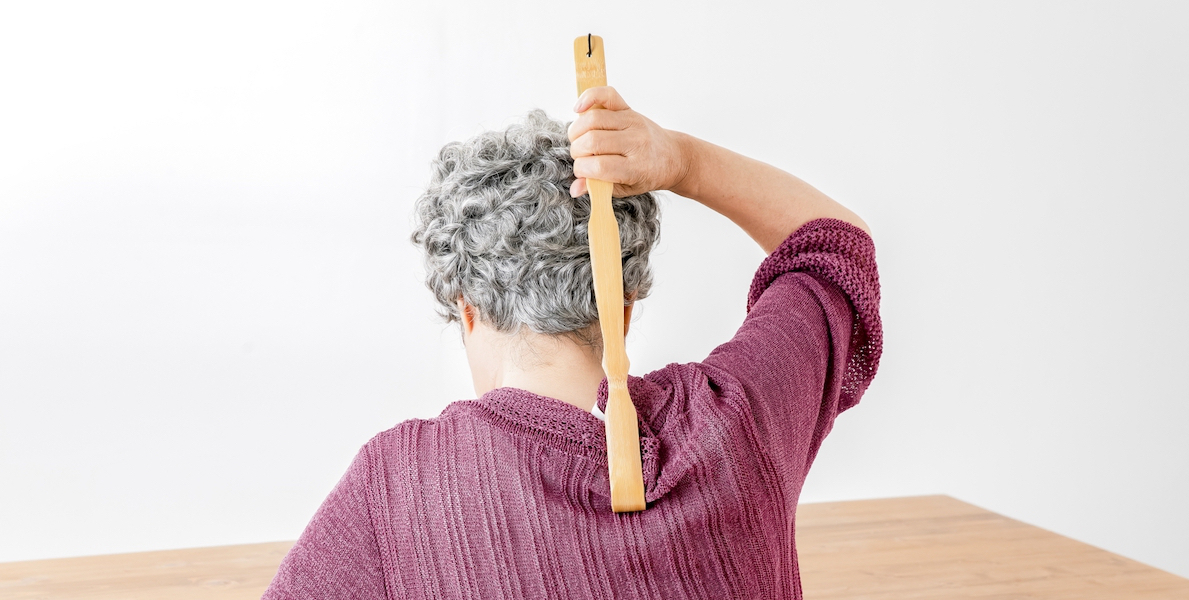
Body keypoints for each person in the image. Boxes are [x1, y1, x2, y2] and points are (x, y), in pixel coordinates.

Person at [262, 86, 881, 599]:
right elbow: (835, 249)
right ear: (626, 305)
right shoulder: (737, 419)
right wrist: (684, 163)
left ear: (467, 309)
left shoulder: (400, 485)